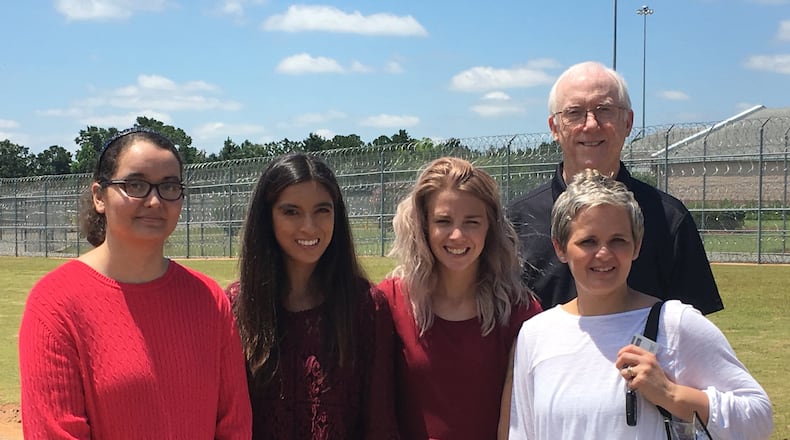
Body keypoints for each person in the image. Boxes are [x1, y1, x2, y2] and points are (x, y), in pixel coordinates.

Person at [18, 127, 252, 438]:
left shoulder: (208, 299)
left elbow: (234, 425)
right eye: (136, 184)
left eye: (169, 187)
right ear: (99, 197)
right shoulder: (55, 303)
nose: (155, 201)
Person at [506, 169, 773, 440]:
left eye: (618, 240)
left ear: (636, 246)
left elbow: (758, 418)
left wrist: (672, 394)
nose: (603, 254)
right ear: (560, 247)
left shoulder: (673, 324)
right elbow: (523, 431)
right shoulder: (536, 334)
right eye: (588, 241)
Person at [507, 60, 724, 314]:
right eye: (574, 112)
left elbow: (692, 333)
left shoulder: (669, 220)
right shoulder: (517, 222)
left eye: (604, 110)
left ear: (628, 122)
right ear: (554, 128)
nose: (590, 124)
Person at [228, 152, 399, 440]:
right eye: (291, 211)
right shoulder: (237, 306)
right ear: (267, 218)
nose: (309, 226)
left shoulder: (366, 306)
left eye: (322, 210)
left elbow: (380, 421)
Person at [378, 156, 542, 440]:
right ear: (424, 226)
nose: (457, 235)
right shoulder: (388, 301)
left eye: (471, 222)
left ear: (489, 226)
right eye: (443, 221)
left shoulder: (520, 312)